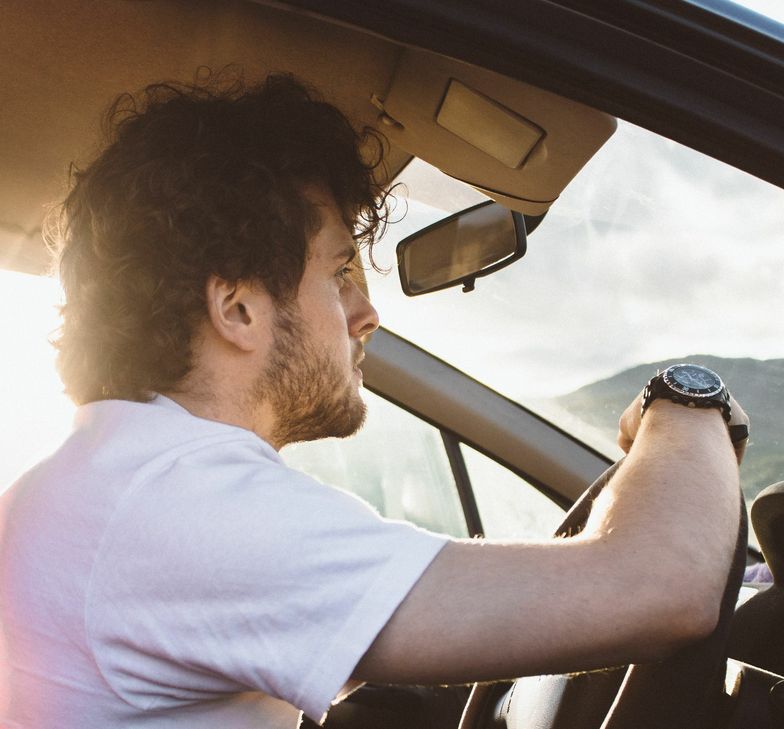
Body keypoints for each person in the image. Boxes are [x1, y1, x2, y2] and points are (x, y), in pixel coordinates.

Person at [0, 73, 748, 728]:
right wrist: (685, 400)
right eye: (339, 274)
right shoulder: (183, 505)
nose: (367, 314)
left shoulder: (118, 481)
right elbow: (662, 587)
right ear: (237, 308)